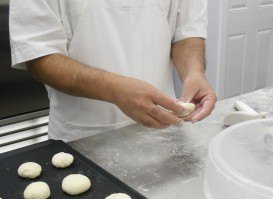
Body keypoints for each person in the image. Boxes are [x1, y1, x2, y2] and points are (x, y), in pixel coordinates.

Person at [9, 0, 216, 141]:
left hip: (163, 131)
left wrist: (194, 73)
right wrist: (114, 89)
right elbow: (39, 55)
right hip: (82, 139)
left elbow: (187, 31)